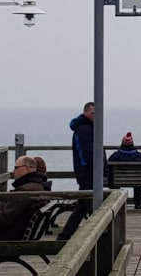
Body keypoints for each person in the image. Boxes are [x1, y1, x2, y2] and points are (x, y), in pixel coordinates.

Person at [58, 102, 95, 240]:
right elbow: (87, 151)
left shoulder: (84, 127)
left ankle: (96, 231)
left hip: (85, 170)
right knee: (83, 205)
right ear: (88, 113)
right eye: (94, 114)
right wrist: (97, 166)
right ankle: (65, 235)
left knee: (88, 204)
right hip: (87, 171)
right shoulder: (84, 128)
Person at [106, 132, 141, 208]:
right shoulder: (140, 157)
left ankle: (115, 203)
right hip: (136, 181)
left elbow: (108, 166)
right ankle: (137, 204)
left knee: (113, 178)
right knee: (138, 181)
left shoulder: (115, 157)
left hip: (117, 181)